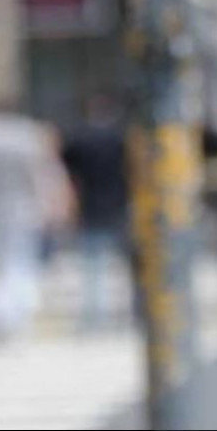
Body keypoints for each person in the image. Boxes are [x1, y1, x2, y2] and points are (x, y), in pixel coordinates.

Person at [0, 101, 75, 341]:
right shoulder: (29, 136)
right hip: (21, 211)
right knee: (19, 262)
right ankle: (13, 316)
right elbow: (45, 176)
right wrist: (53, 206)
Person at [61, 94, 132, 332]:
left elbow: (68, 173)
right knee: (127, 266)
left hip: (90, 206)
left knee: (94, 267)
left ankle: (94, 318)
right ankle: (129, 314)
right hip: (119, 205)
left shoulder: (80, 140)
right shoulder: (120, 139)